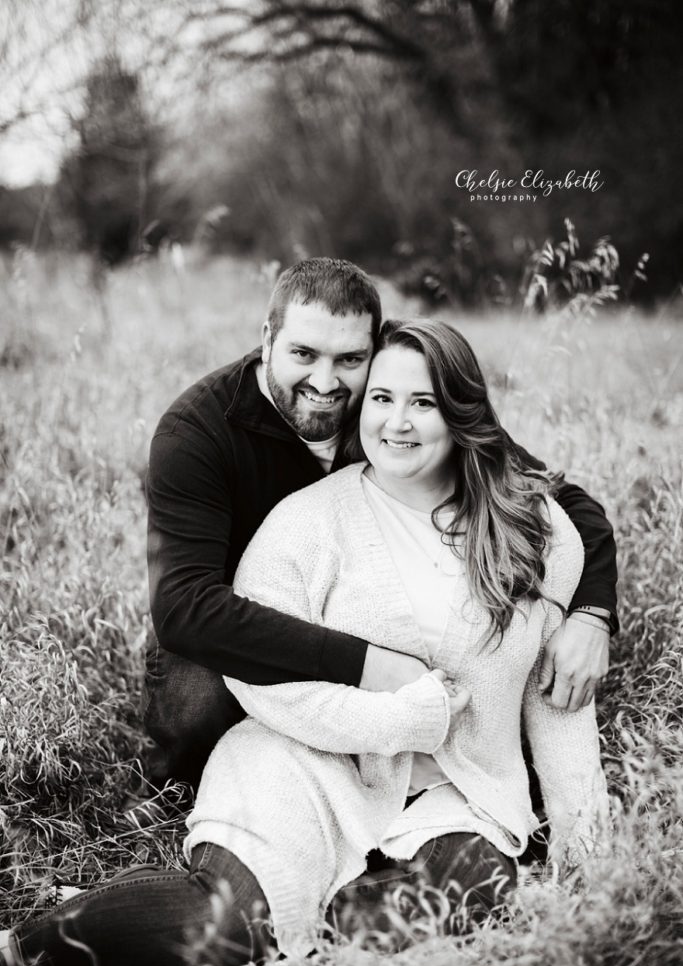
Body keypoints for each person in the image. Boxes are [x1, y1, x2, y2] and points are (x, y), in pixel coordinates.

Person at [1, 319, 609, 966]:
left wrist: (589, 854)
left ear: (462, 411)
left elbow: (559, 699)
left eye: (423, 402)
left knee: (420, 914)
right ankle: (27, 945)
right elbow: (261, 680)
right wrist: (397, 721)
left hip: (460, 796)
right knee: (227, 925)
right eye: (380, 399)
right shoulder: (306, 523)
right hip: (301, 760)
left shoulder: (533, 527)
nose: (397, 423)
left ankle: (271, 964)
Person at [143, 257, 617, 795]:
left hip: (369, 615)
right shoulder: (196, 433)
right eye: (303, 354)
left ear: (376, 349)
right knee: (199, 701)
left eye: (350, 359)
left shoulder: (397, 409)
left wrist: (591, 615)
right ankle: (185, 802)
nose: (325, 382)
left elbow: (561, 502)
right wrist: (372, 666)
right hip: (240, 618)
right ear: (267, 336)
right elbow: (184, 608)